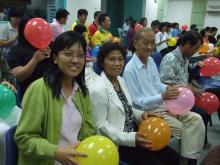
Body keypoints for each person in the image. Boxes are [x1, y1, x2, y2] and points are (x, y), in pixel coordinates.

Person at [123, 28, 205, 165]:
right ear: (135, 43)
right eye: (145, 43)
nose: (150, 47)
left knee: (196, 119)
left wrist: (169, 88)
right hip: (148, 113)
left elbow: (158, 84)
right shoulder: (130, 69)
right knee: (184, 130)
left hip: (164, 105)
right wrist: (162, 96)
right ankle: (185, 161)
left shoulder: (150, 62)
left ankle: (189, 160)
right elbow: (137, 101)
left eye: (152, 43)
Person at [89, 41, 179, 165]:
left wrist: (142, 114)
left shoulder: (120, 80)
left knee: (172, 156)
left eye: (120, 59)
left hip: (136, 132)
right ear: (102, 62)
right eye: (112, 59)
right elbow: (100, 126)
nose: (117, 63)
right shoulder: (98, 89)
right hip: (119, 142)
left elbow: (128, 108)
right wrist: (132, 138)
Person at [14, 31, 95, 165]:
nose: (75, 60)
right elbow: (24, 138)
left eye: (80, 55)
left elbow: (88, 132)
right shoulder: (39, 89)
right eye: (68, 54)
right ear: (55, 58)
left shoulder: (82, 92)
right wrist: (55, 152)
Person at [160, 31, 211, 149]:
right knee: (201, 114)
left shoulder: (185, 58)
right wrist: (186, 88)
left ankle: (199, 142)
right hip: (174, 98)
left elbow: (185, 79)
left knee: (205, 109)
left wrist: (194, 87)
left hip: (184, 96)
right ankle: (192, 146)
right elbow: (164, 82)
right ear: (188, 44)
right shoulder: (171, 58)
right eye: (196, 48)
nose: (196, 51)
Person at [7, 17, 51, 101]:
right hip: (31, 94)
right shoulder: (16, 50)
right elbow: (18, 76)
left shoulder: (48, 45)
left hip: (51, 91)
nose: (39, 32)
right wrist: (35, 59)